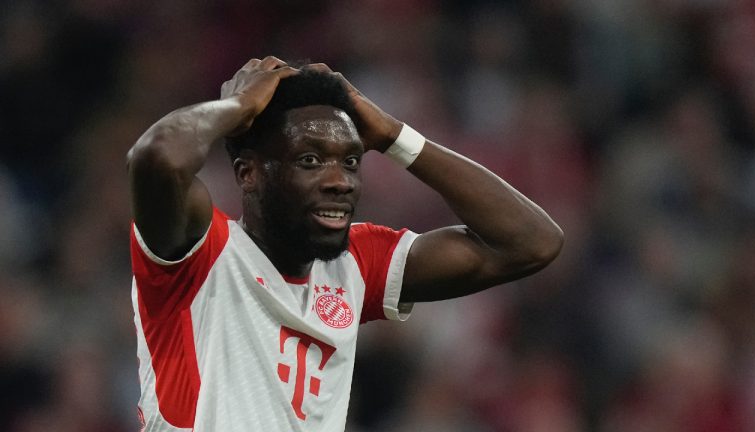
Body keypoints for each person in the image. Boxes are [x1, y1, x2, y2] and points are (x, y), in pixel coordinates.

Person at [127, 56, 563, 431]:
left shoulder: (356, 264)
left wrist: (394, 136)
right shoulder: (198, 252)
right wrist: (239, 106)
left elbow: (530, 243)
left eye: (350, 161)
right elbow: (157, 157)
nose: (339, 181)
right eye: (310, 160)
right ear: (248, 174)